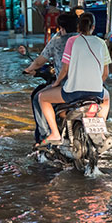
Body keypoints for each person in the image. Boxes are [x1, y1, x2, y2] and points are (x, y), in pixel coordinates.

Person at [38, 12, 111, 146]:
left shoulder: (72, 41)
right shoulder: (102, 43)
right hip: (96, 93)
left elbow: (65, 69)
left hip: (73, 93)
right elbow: (105, 74)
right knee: (106, 99)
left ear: (78, 27)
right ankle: (101, 131)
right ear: (93, 27)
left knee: (42, 97)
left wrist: (56, 83)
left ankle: (54, 133)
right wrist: (95, 85)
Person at [24, 12, 78, 145]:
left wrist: (29, 69)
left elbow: (39, 62)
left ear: (61, 27)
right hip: (92, 86)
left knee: (39, 97)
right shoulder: (85, 39)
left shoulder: (58, 40)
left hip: (67, 86)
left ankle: (46, 135)